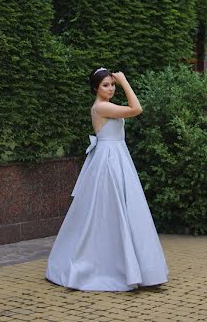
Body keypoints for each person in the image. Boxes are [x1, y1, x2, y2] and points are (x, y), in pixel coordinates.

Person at [45, 67, 169, 292]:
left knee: (124, 209)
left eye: (112, 84)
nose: (111, 88)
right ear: (96, 88)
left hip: (118, 157)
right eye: (106, 85)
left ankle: (136, 266)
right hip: (109, 161)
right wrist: (125, 82)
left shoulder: (107, 105)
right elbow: (136, 108)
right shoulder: (101, 107)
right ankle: (112, 267)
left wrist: (120, 83)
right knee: (107, 212)